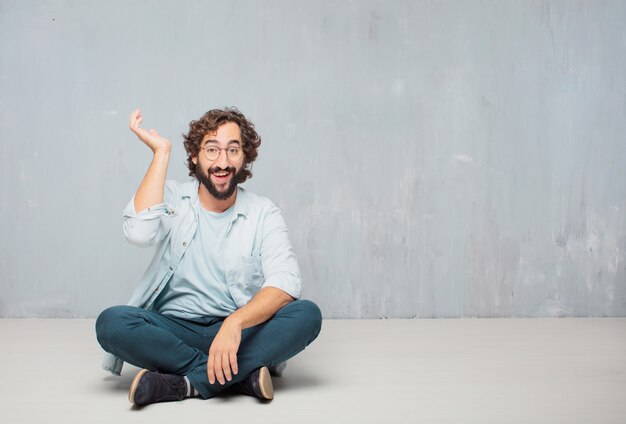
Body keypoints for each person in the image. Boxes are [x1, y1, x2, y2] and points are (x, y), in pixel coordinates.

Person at [96, 108, 322, 406]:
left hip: (239, 333)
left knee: (307, 315)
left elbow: (286, 282)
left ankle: (185, 385)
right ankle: (241, 377)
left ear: (245, 158)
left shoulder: (263, 212)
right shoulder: (173, 198)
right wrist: (161, 154)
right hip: (174, 330)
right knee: (111, 323)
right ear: (195, 157)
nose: (223, 162)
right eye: (212, 150)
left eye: (233, 150)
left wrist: (234, 324)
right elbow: (138, 233)